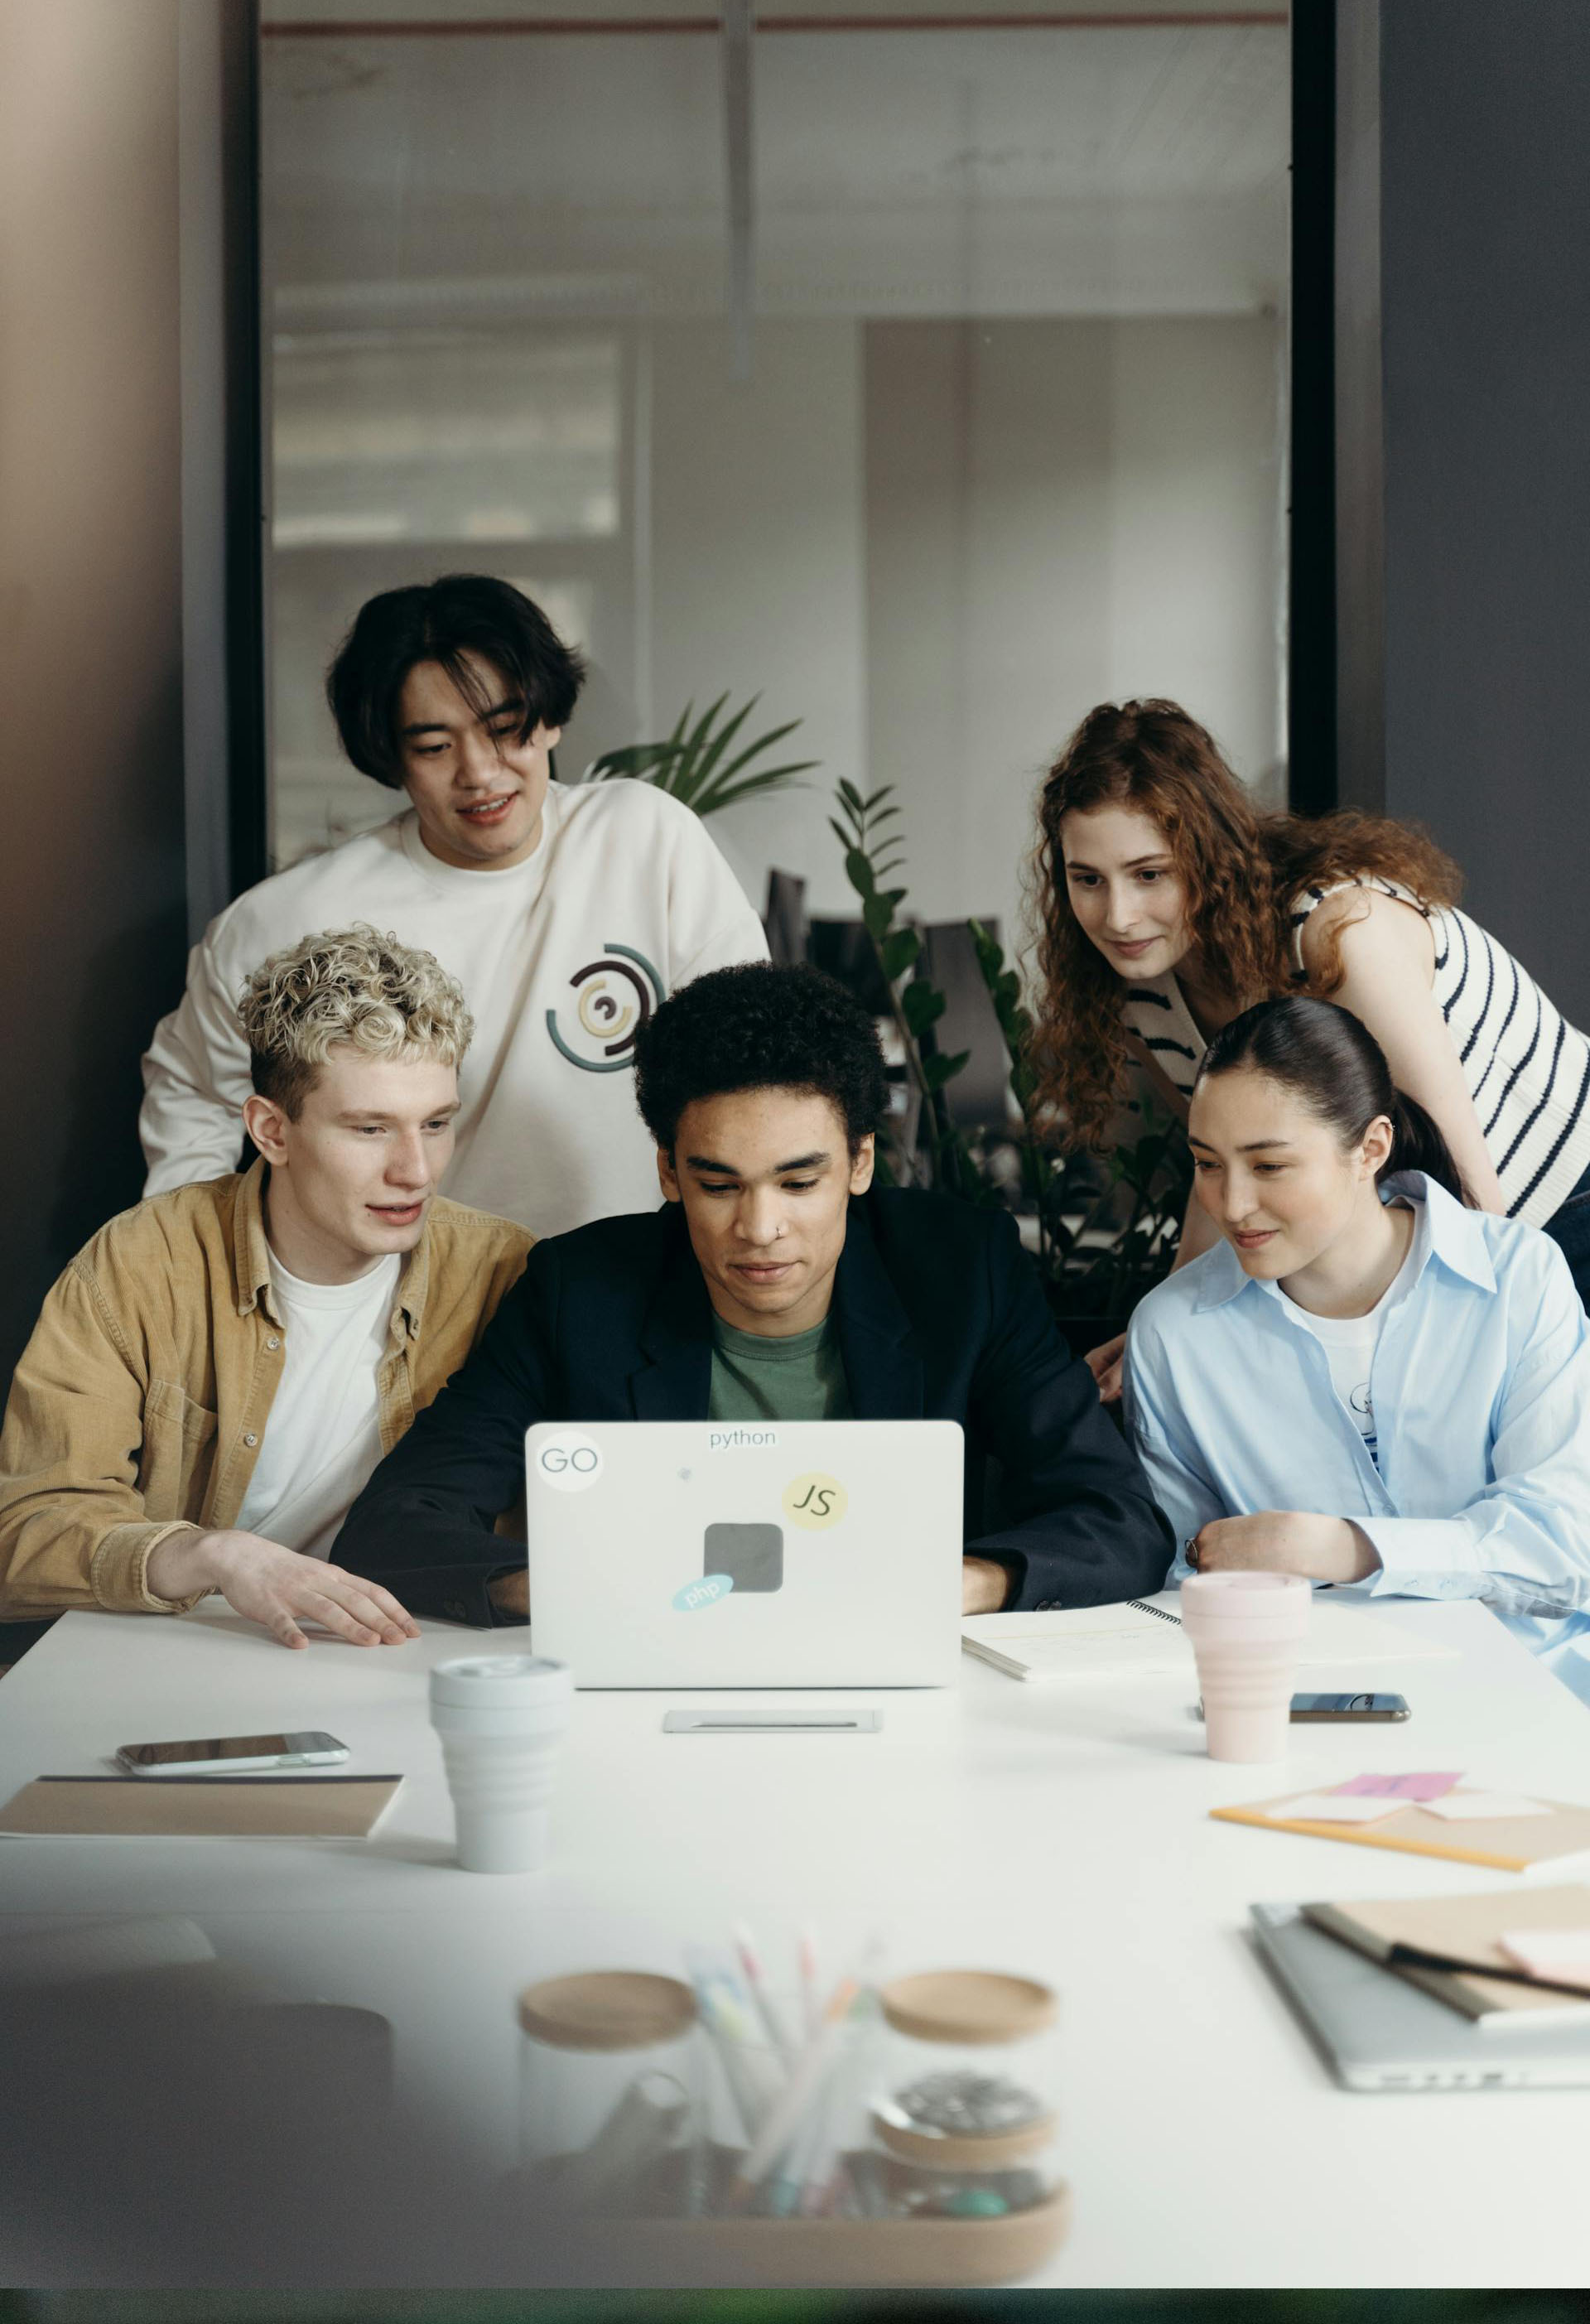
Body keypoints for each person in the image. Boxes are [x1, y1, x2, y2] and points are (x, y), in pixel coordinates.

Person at [332, 962, 1174, 1624]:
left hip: (898, 1673)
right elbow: (399, 1524)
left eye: (799, 1182)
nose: (760, 1227)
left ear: (861, 1163)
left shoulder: (962, 1271)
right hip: (653, 1672)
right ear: (669, 1173)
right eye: (720, 1185)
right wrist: (570, 1593)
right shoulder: (579, 1289)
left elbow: (1115, 1518)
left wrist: (960, 1584)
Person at [141, 574, 768, 1235]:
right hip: (418, 1305)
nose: (480, 772)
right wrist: (199, 1267)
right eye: (435, 747)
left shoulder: (647, 838)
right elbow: (191, 1089)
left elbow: (756, 1063)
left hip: (629, 1289)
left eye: (505, 729)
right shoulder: (297, 916)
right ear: (392, 759)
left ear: (550, 720)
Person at [1031, 700, 1590, 1397]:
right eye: (1088, 879)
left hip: (1559, 1207)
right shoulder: (1141, 986)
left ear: (1208, 858)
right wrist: (1163, 1331)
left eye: (1151, 874)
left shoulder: (1337, 933)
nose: (1117, 916)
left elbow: (1478, 1209)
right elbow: (1230, 1157)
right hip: (1452, 1236)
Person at [0, 927, 531, 1651]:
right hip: (191, 1648)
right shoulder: (140, 1264)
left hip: (420, 1651)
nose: (417, 1171)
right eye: (371, 1128)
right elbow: (24, 1535)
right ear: (271, 1131)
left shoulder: (508, 1272)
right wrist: (214, 1554)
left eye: (435, 1124)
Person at [1124, 996, 1590, 1702]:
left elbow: (1560, 1548)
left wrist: (1340, 1548)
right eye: (1207, 1164)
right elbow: (1188, 1582)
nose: (1233, 1204)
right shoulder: (1171, 1333)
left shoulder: (1520, 1278)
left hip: (1533, 1692)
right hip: (1305, 1709)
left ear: (1370, 1149)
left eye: (1270, 1166)